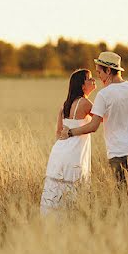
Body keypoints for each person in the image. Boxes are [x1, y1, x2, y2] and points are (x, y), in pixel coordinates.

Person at [59, 51, 128, 195]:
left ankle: (121, 217)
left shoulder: (103, 95)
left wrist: (70, 132)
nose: (98, 76)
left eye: (99, 72)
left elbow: (93, 126)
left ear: (108, 70)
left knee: (120, 195)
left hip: (116, 153)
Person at [40, 68, 96, 214]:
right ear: (82, 85)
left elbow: (58, 133)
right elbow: (101, 119)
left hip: (59, 151)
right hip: (75, 152)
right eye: (90, 78)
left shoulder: (64, 105)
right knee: (75, 187)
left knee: (58, 189)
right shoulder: (85, 103)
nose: (93, 80)